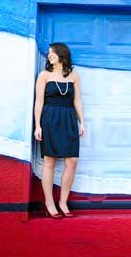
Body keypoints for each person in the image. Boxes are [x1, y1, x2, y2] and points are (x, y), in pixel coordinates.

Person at [34, 43, 85, 218]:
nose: (49, 55)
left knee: (72, 161)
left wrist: (82, 122)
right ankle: (49, 203)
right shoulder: (44, 76)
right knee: (50, 161)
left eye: (52, 52)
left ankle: (63, 202)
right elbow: (39, 102)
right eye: (48, 53)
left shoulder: (74, 76)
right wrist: (38, 125)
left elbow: (77, 100)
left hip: (69, 118)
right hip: (50, 119)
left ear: (61, 54)